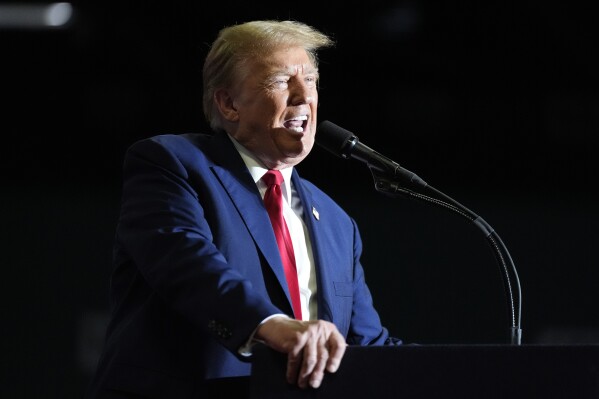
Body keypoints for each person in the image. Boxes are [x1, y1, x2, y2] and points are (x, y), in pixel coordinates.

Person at [85, 19, 402, 399]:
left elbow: (368, 347)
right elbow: (189, 266)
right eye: (282, 81)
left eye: (312, 80)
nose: (304, 96)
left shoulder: (337, 222)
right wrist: (270, 324)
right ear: (229, 103)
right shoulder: (173, 164)